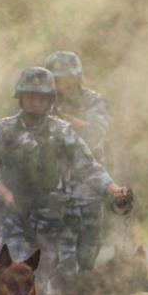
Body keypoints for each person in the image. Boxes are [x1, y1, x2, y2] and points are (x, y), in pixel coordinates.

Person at [0, 66, 130, 295]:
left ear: (50, 100)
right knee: (17, 274)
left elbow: (88, 166)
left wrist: (113, 189)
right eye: (30, 96)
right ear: (21, 98)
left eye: (42, 97)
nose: (36, 102)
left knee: (42, 280)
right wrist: (3, 192)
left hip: (51, 218)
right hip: (15, 216)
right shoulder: (4, 130)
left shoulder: (62, 132)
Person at [45, 51, 112, 271]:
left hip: (87, 182)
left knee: (87, 251)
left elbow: (96, 133)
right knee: (55, 253)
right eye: (55, 79)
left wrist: (64, 121)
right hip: (54, 185)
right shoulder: (42, 101)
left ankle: (82, 285)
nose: (59, 85)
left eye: (64, 79)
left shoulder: (93, 100)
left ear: (77, 78)